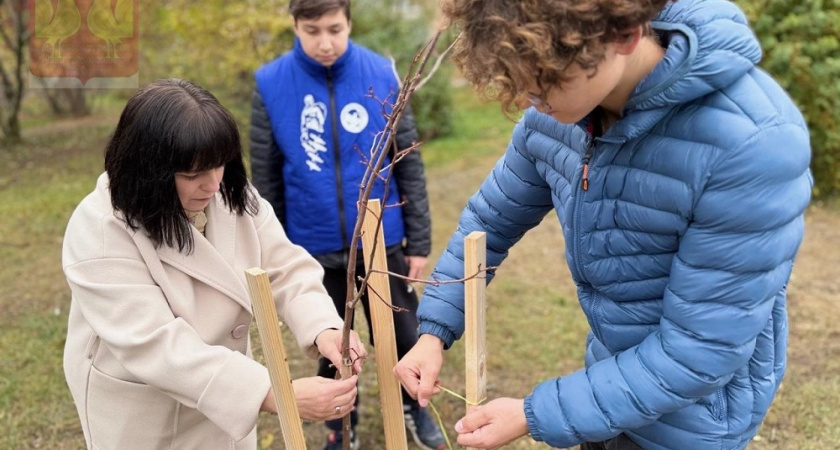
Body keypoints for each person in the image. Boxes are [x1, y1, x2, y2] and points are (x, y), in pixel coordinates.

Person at [394, 0, 813, 449]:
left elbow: (699, 351)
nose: (523, 99)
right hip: (604, 390)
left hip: (694, 421)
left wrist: (537, 414)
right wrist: (433, 329)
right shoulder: (557, 114)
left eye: (545, 81)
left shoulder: (753, 143)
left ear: (625, 35)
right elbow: (489, 221)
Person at [62, 78, 367, 450]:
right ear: (148, 171)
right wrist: (273, 395)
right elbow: (154, 344)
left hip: (224, 391)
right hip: (148, 406)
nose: (212, 185)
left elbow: (283, 267)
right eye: (192, 175)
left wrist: (323, 327)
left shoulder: (227, 191)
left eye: (219, 165)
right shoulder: (100, 229)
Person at [248, 1, 445, 449]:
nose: (325, 42)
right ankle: (340, 425)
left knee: (405, 336)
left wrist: (419, 240)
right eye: (311, 30)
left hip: (383, 242)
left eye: (334, 29)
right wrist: (275, 252)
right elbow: (266, 176)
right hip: (312, 248)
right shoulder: (271, 83)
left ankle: (416, 411)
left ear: (349, 23)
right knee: (332, 345)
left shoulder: (383, 73)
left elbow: (408, 164)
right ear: (295, 25)